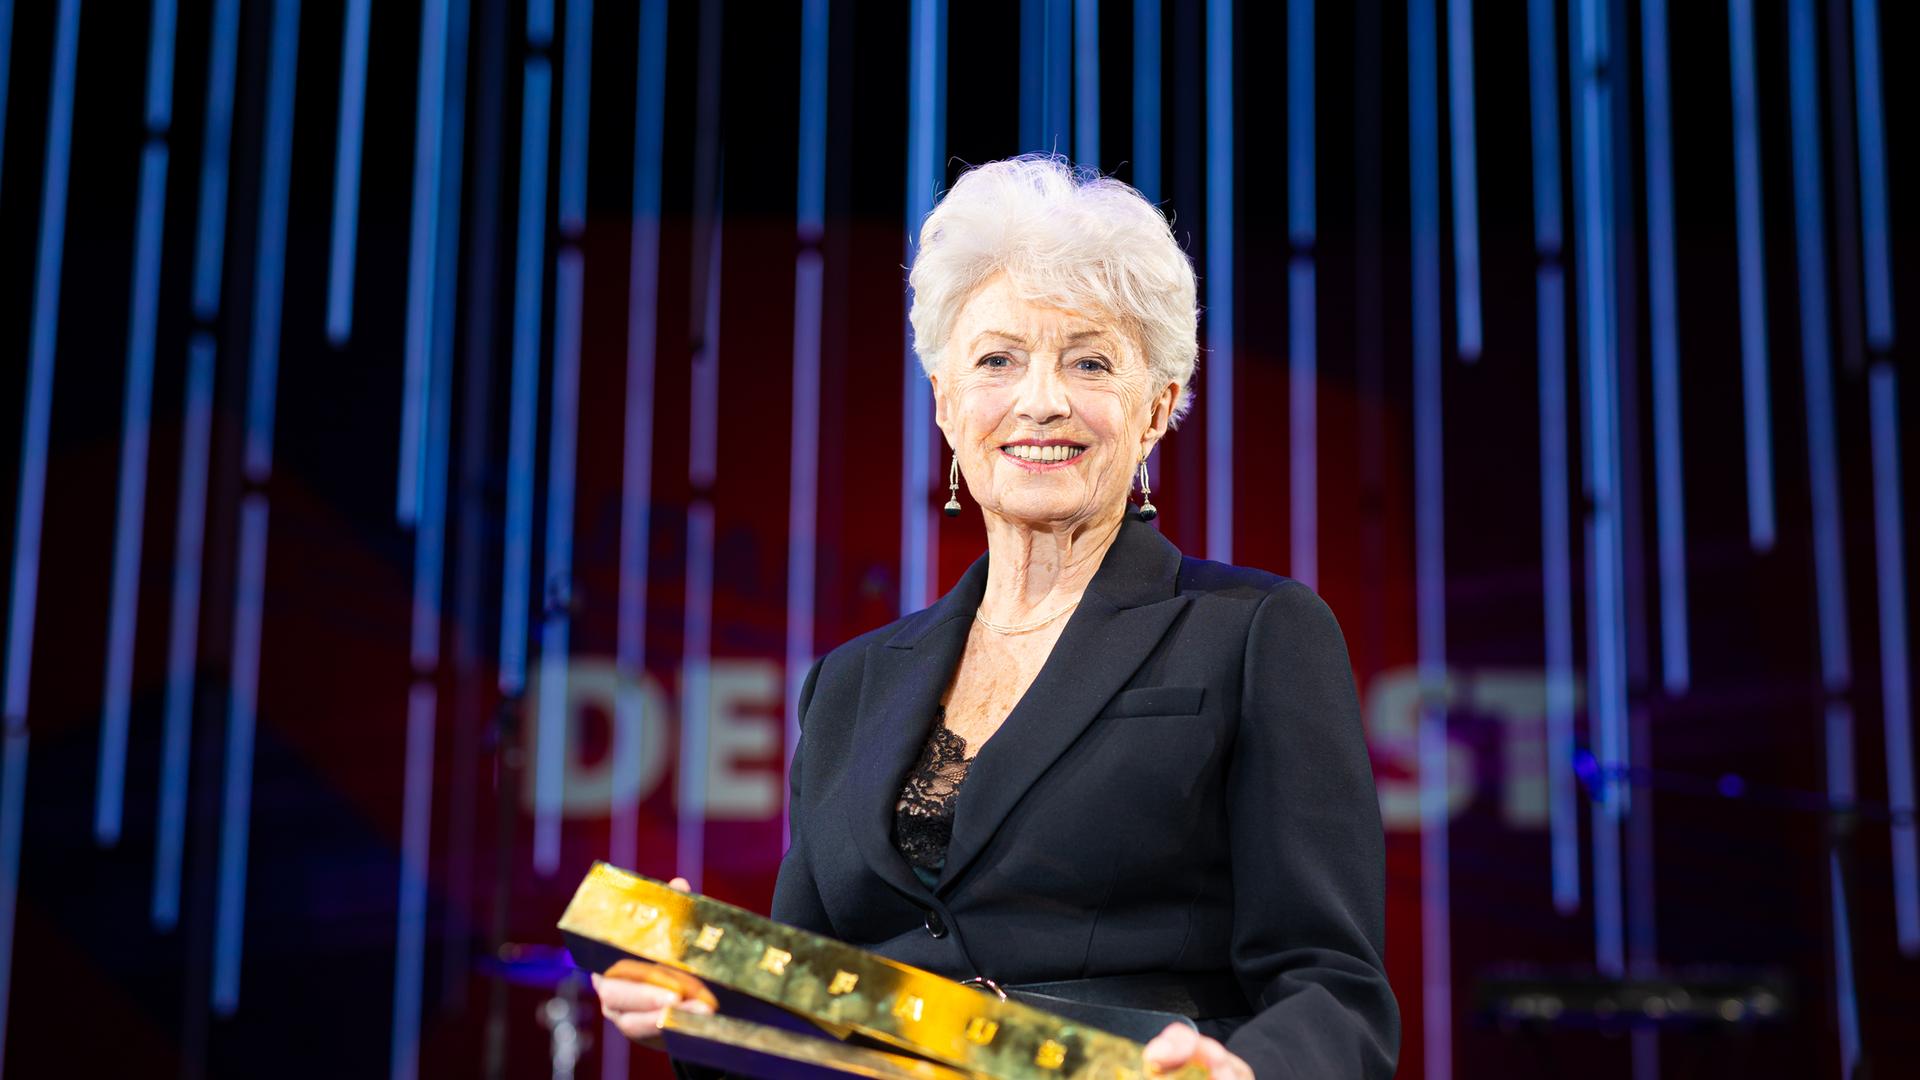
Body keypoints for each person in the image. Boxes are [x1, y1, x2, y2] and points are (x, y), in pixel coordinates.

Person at [593, 155, 1399, 1079]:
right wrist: (702, 1003)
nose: (1042, 399)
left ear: (1157, 408)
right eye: (997, 360)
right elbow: (806, 1013)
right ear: (946, 405)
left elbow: (1334, 990)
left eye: (1090, 360)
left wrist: (1243, 1074)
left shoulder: (1255, 632)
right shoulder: (852, 682)